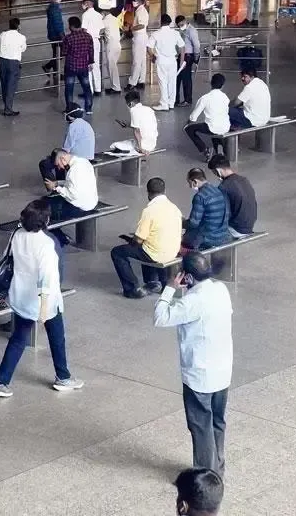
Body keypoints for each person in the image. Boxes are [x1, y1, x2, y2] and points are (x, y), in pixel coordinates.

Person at [0, 200, 82, 397]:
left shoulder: (17, 234)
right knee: (57, 338)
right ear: (46, 220)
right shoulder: (47, 244)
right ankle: (63, 377)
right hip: (45, 302)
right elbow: (46, 280)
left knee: (17, 339)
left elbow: (7, 256)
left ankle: (0, 381)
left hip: (20, 296)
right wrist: (43, 309)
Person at [154, 251, 233, 476]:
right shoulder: (221, 290)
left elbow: (160, 317)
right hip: (222, 370)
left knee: (200, 427)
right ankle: (218, 467)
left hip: (199, 375)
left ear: (186, 277)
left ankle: (206, 475)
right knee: (217, 422)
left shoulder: (192, 302)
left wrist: (170, 287)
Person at [110, 177, 182, 298]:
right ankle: (155, 282)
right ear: (164, 191)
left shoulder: (149, 211)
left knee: (118, 252)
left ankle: (132, 288)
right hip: (173, 251)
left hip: (155, 254)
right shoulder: (175, 208)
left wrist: (131, 240)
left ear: (148, 193)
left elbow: (138, 240)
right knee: (148, 245)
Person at [43, 149, 98, 246]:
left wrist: (56, 188)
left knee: (45, 210)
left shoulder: (73, 171)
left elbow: (73, 195)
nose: (59, 168)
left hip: (80, 207)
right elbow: (72, 184)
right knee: (49, 201)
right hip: (91, 201)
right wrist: (57, 183)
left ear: (63, 158)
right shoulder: (83, 162)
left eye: (58, 164)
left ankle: (60, 238)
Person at [39, 106, 94, 183]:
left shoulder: (73, 126)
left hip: (79, 159)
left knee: (45, 164)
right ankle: (60, 183)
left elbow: (66, 149)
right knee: (58, 159)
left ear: (70, 116)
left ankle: (54, 188)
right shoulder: (85, 123)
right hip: (88, 157)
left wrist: (53, 156)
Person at [184, 74, 231, 160]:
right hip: (226, 126)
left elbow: (193, 117)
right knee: (215, 131)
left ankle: (205, 150)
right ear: (223, 85)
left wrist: (187, 123)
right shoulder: (225, 97)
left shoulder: (205, 98)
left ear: (211, 83)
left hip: (212, 127)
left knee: (189, 129)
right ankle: (219, 151)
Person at [208, 155, 257, 238]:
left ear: (218, 171)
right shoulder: (244, 180)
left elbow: (223, 214)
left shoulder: (224, 187)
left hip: (236, 229)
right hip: (249, 225)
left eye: (214, 173)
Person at [182, 169, 230, 250]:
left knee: (183, 239)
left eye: (189, 183)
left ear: (195, 182)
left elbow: (193, 223)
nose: (190, 186)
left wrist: (181, 223)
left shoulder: (200, 197)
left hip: (208, 238)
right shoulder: (217, 190)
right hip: (223, 233)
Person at [149, 13, 184, 110]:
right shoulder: (175, 33)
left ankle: (164, 104)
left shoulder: (155, 34)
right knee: (172, 82)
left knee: (163, 82)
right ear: (170, 22)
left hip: (161, 61)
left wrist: (152, 57)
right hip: (172, 61)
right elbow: (182, 47)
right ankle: (171, 103)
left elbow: (149, 47)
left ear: (161, 22)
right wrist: (181, 61)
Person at [62, 16, 96, 114]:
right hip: (83, 66)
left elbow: (64, 52)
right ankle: (89, 108)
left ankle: (69, 109)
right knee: (86, 87)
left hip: (71, 66)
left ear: (72, 26)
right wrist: (90, 62)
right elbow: (91, 51)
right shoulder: (88, 36)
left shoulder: (68, 38)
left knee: (69, 89)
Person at [109, 89, 158, 155]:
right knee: (130, 141)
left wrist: (141, 148)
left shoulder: (134, 110)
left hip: (144, 146)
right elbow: (144, 125)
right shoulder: (149, 109)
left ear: (131, 104)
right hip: (153, 143)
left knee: (114, 145)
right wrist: (128, 125)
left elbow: (137, 131)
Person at [0, 17, 27, 115]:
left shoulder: (3, 34)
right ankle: (8, 108)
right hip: (13, 63)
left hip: (2, 61)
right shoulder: (22, 37)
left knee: (4, 84)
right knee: (11, 86)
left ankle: (6, 105)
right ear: (19, 26)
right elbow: (23, 49)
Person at [79, 0, 103, 93]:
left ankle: (89, 90)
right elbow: (102, 29)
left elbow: (84, 30)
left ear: (88, 3)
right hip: (96, 41)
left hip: (88, 42)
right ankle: (98, 89)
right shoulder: (98, 15)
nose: (82, 5)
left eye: (84, 3)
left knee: (88, 65)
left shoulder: (86, 15)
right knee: (96, 65)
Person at [176, 14, 202, 106]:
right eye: (178, 25)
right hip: (181, 56)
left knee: (186, 78)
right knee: (178, 78)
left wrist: (196, 57)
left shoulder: (192, 31)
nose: (180, 26)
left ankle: (187, 100)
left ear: (185, 21)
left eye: (181, 24)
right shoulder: (180, 31)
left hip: (188, 56)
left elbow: (196, 45)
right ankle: (176, 99)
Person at [128, 0, 150, 88]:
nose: (133, 2)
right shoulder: (140, 10)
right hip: (141, 37)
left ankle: (132, 83)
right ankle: (141, 81)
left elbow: (141, 25)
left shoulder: (141, 11)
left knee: (136, 60)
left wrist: (131, 29)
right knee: (141, 61)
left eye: (135, 0)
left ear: (141, 1)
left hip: (139, 38)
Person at [101, 7, 123, 93]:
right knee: (113, 66)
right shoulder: (114, 18)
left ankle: (116, 87)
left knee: (112, 66)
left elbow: (100, 31)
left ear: (104, 11)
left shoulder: (105, 20)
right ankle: (115, 86)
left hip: (111, 45)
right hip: (117, 44)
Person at [44, 0, 64, 83]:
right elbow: (57, 22)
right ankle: (48, 67)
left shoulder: (52, 7)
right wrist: (61, 34)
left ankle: (56, 74)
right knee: (61, 53)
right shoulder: (55, 8)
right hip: (57, 34)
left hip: (52, 34)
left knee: (56, 53)